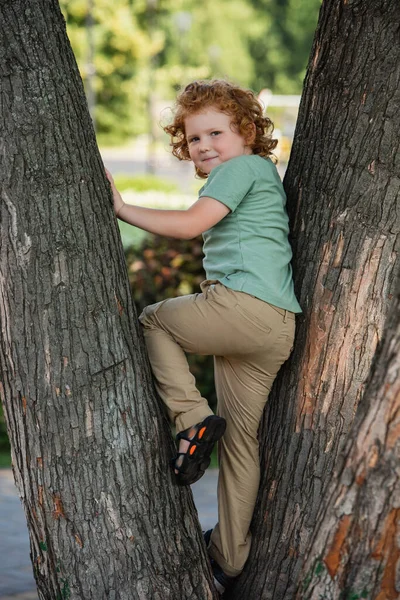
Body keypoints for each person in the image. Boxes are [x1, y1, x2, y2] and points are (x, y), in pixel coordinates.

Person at [106, 79, 302, 596]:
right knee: (240, 442)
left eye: (216, 132)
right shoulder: (259, 173)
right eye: (194, 139)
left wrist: (122, 209)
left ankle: (192, 420)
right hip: (275, 327)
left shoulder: (242, 169)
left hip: (242, 309)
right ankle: (228, 561)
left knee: (153, 319)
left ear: (247, 131)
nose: (205, 146)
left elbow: (193, 225)